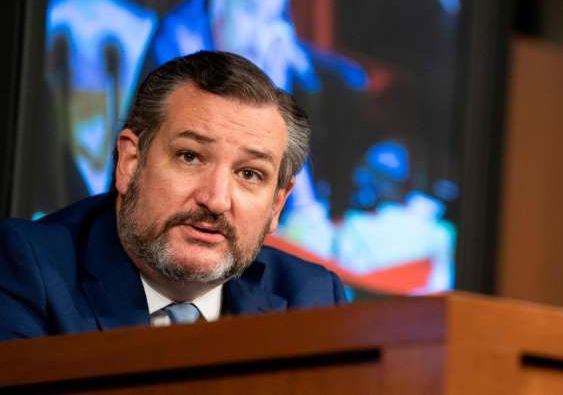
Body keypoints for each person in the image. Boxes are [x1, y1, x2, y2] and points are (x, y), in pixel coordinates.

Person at [0, 51, 346, 341]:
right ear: (130, 163)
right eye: (190, 157)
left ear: (276, 205)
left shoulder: (310, 299)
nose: (215, 200)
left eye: (249, 174)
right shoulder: (26, 269)